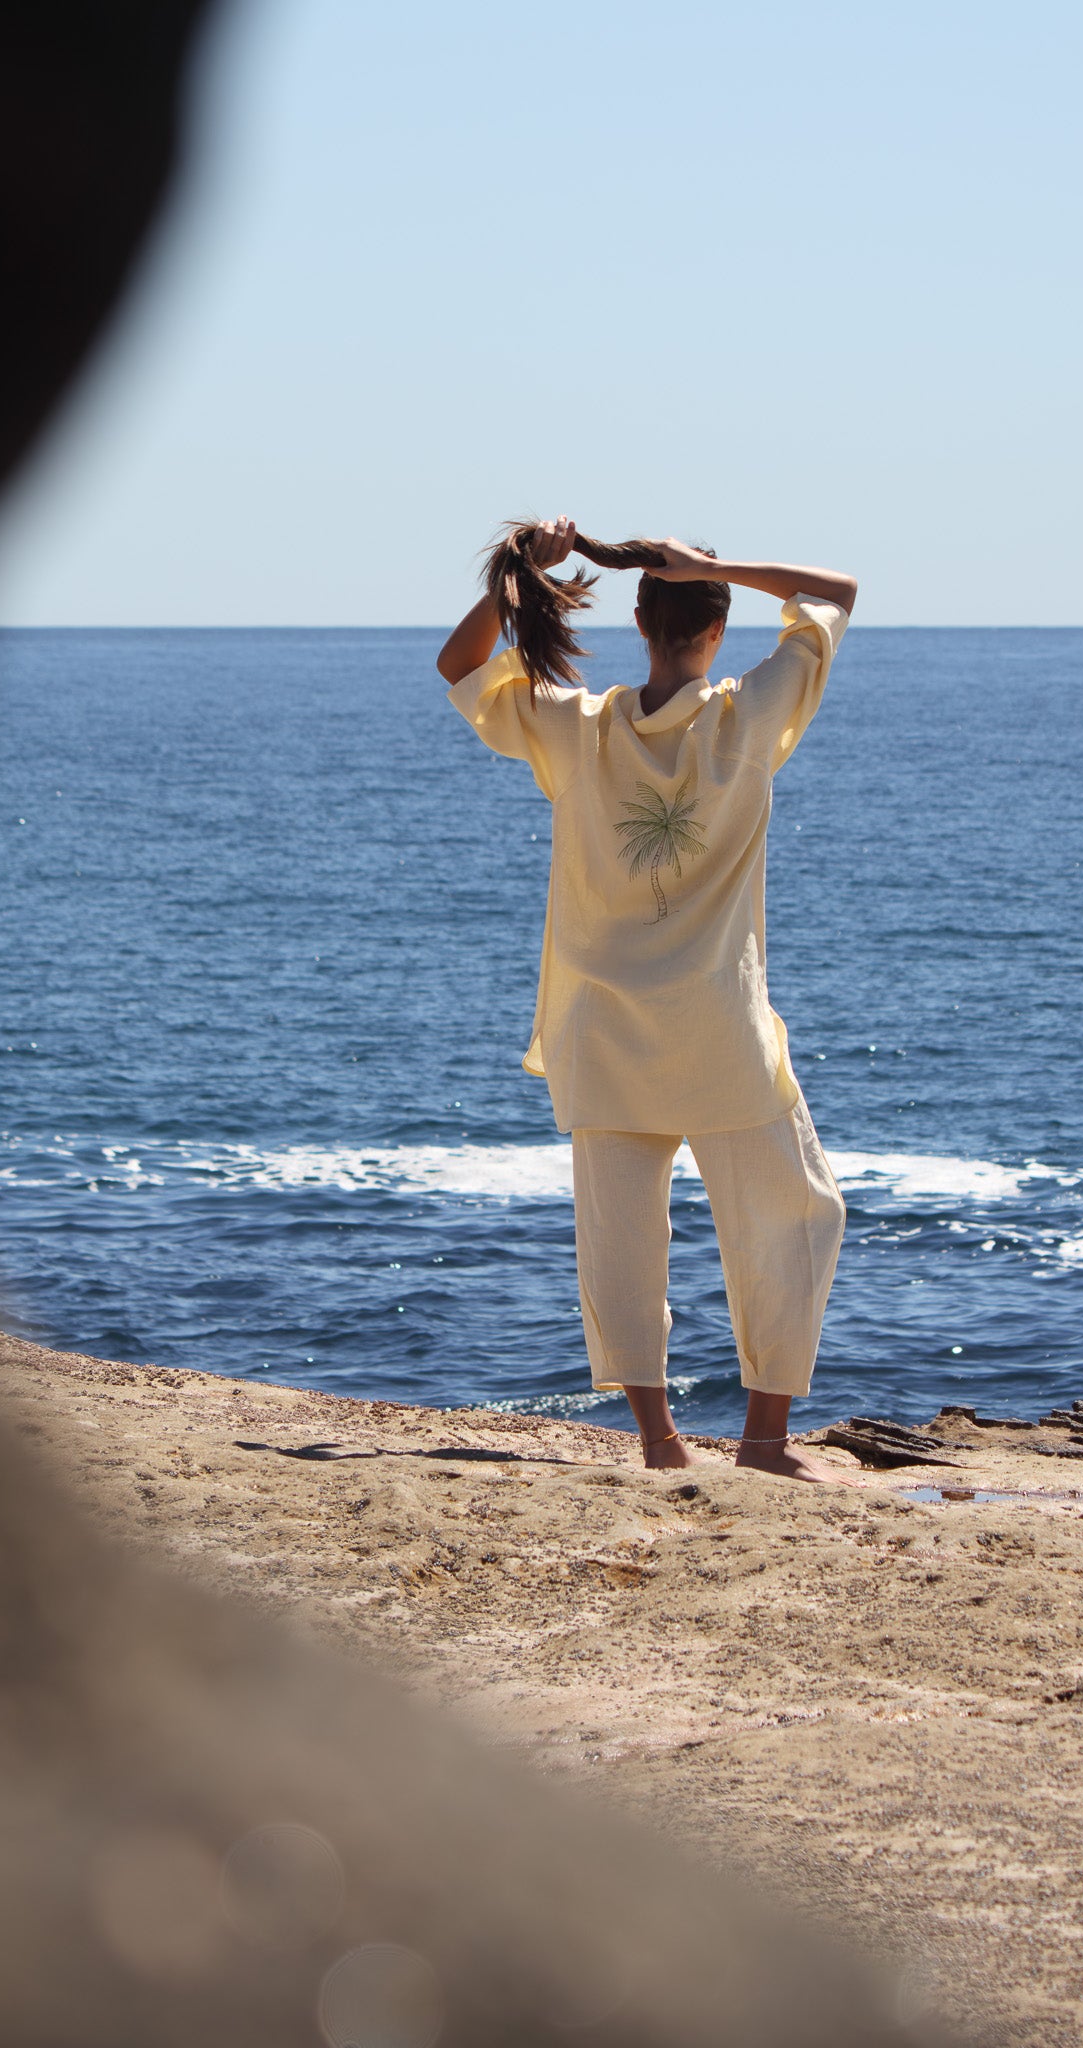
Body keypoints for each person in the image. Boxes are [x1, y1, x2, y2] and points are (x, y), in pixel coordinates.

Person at [437, 517, 860, 1485]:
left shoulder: (577, 727)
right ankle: (762, 1441)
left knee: (621, 1236)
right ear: (715, 625)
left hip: (604, 1031)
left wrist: (521, 579)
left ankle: (660, 1441)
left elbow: (458, 664)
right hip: (717, 1029)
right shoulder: (748, 719)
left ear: (638, 617)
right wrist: (724, 567)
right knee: (795, 1214)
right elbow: (835, 591)